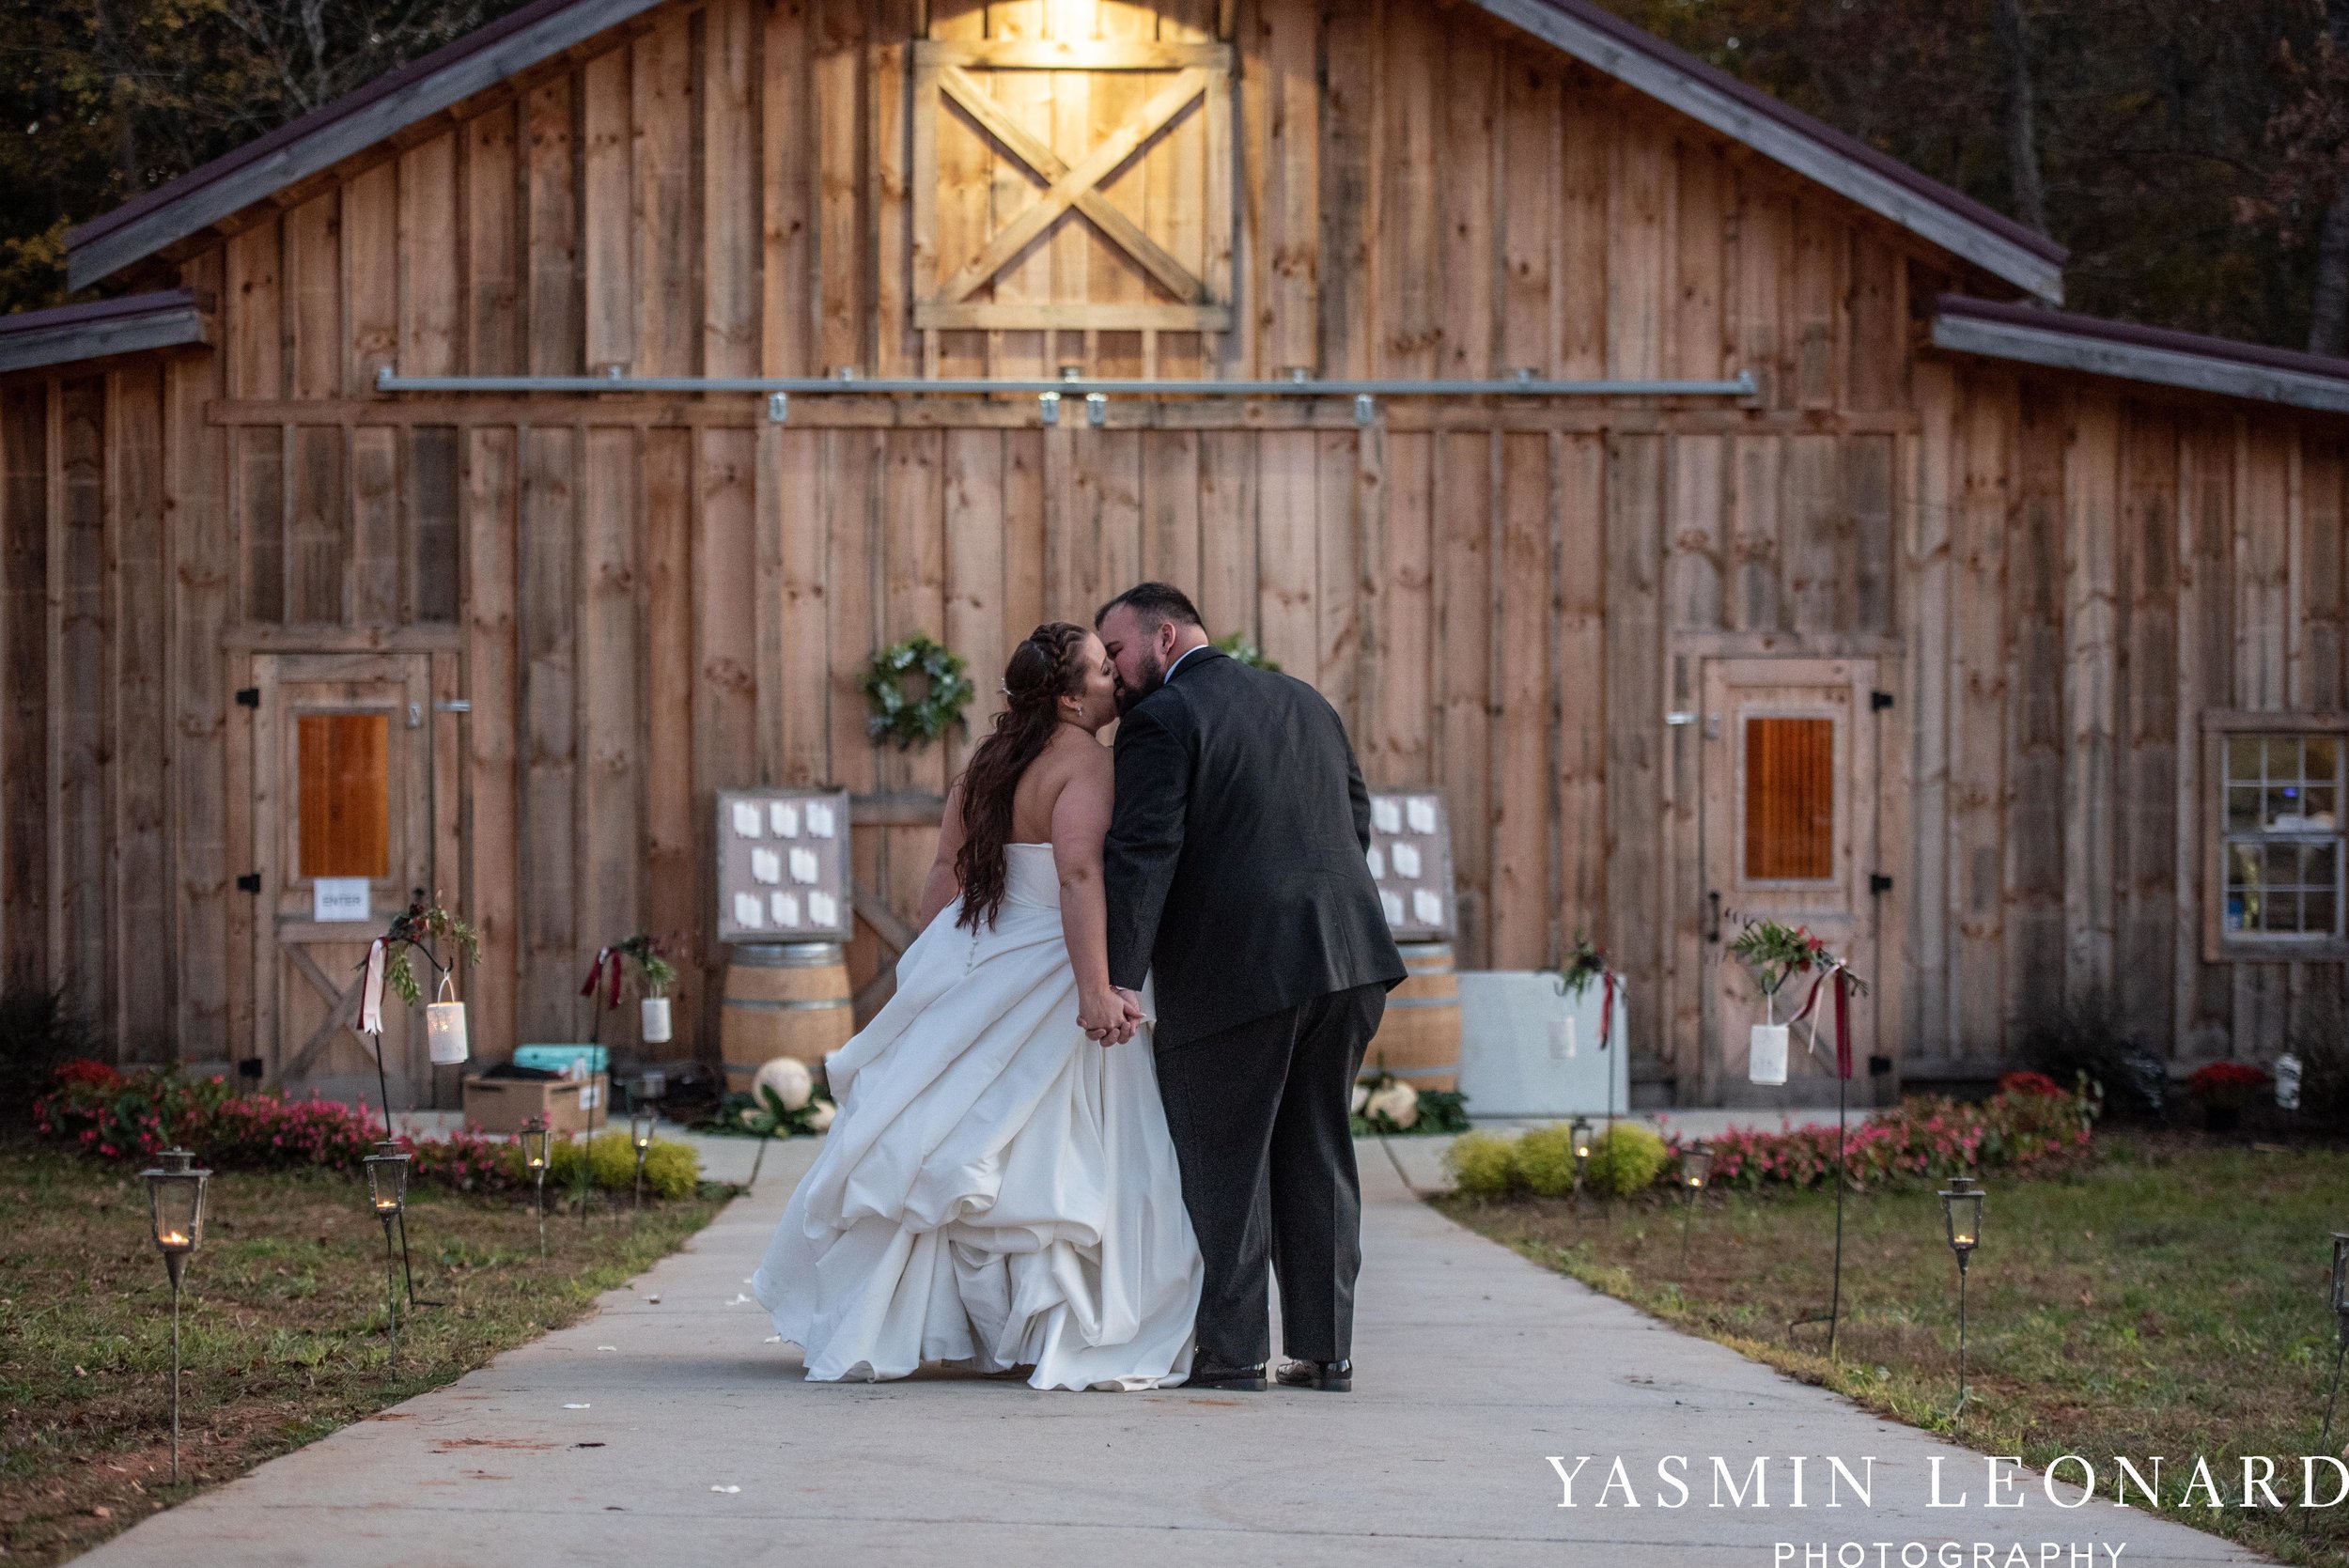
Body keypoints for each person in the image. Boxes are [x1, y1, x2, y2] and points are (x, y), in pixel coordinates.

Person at [751, 622, 1202, 1390]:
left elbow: (944, 876)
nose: (1114, 682)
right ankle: (1048, 1322)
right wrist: (1096, 987)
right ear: (1066, 696)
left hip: (983, 950)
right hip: (1058, 958)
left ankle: (948, 1322)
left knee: (961, 1138)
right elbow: (1078, 877)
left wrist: (938, 975)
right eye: (1099, 672)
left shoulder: (990, 763)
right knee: (1056, 1145)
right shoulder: (1087, 766)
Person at [1095, 583, 1406, 1394]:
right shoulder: (1303, 699)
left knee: (1224, 1161)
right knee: (1320, 1149)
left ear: (1164, 638)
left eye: (1118, 652)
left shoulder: (1162, 719)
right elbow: (1355, 819)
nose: (1114, 673)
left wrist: (1118, 976)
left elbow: (1143, 851)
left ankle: (1233, 1352)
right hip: (1347, 956)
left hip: (1236, 968)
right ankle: (1325, 1350)